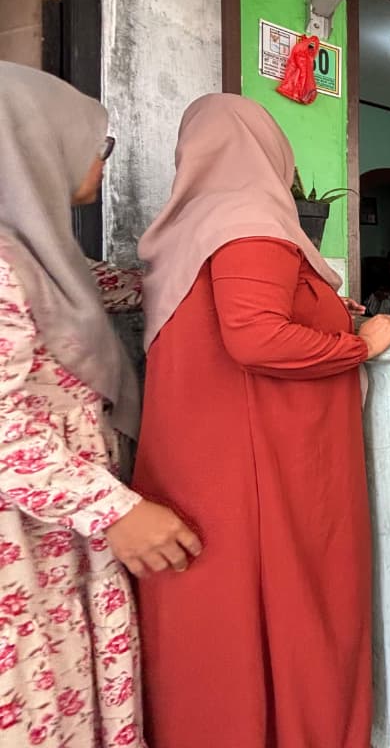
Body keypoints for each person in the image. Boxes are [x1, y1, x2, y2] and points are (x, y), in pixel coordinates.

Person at [132, 94, 390, 748]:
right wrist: (361, 345)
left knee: (222, 635)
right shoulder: (249, 217)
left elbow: (251, 306)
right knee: (286, 621)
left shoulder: (191, 226)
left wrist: (326, 305)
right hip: (260, 480)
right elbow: (256, 337)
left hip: (208, 471)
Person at [0, 63, 205, 746]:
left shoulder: (40, 257)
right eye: (98, 143)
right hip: (24, 552)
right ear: (38, 145)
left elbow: (120, 286)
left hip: (63, 540)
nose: (103, 161)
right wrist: (113, 509)